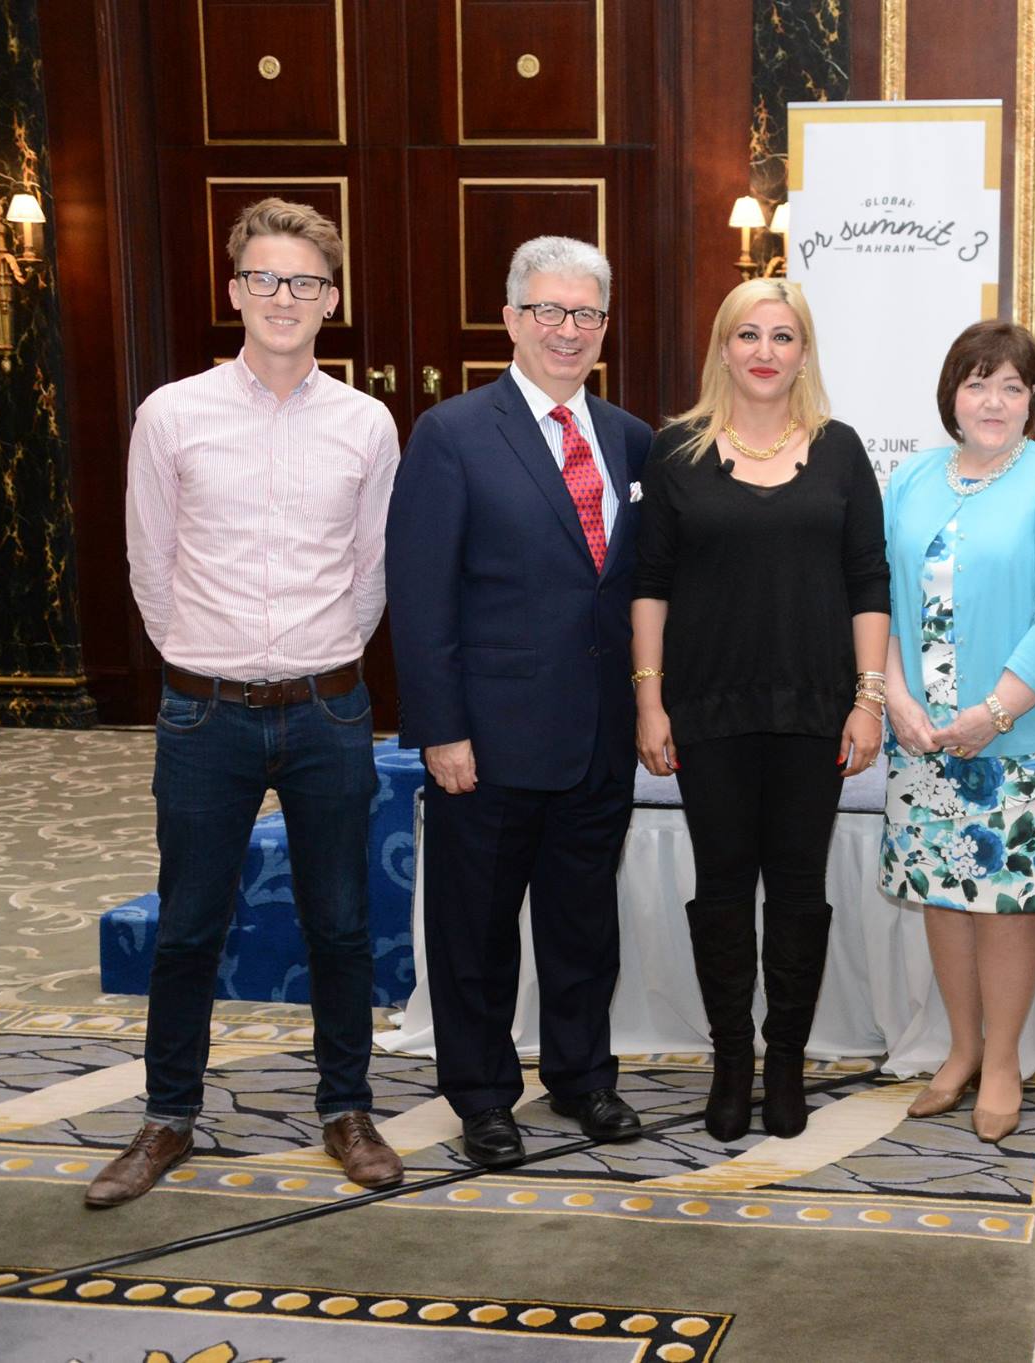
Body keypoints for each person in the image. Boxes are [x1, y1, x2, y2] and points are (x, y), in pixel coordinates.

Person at [105, 197, 402, 1206]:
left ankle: (347, 1108)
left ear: (331, 299)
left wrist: (315, 657)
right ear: (235, 291)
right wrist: (207, 657)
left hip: (328, 710)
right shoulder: (172, 414)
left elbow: (370, 571)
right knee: (188, 923)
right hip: (204, 712)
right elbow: (149, 563)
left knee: (341, 922)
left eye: (305, 282)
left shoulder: (366, 423)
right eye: (266, 279)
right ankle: (167, 1116)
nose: (285, 297)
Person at [387, 236, 653, 1167]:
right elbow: (420, 595)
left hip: (597, 736)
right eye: (548, 310)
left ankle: (582, 1077)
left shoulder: (631, 439)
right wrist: (440, 729)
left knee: (584, 925)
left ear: (604, 327)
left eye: (586, 314)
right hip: (488, 740)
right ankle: (483, 1095)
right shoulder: (452, 433)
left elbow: (633, 590)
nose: (567, 329)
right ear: (510, 319)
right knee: (476, 932)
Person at [633, 278, 890, 1142]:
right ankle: (731, 1059)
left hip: (815, 709)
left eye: (783, 336)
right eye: (749, 334)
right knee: (721, 888)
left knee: (799, 892)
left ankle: (785, 1061)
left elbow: (868, 581)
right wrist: (648, 699)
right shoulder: (675, 451)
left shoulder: (841, 450)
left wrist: (868, 699)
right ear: (723, 347)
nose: (766, 351)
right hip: (707, 708)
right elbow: (650, 584)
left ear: (805, 352)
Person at [879, 319, 1035, 1144]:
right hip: (922, 736)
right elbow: (879, 597)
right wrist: (893, 695)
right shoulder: (911, 478)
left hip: (1022, 738)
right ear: (953, 394)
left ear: (1033, 400)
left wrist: (995, 711)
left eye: (1012, 386)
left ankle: (1003, 1058)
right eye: (978, 383)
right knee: (943, 895)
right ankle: (960, 1048)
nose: (994, 401)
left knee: (1006, 905)